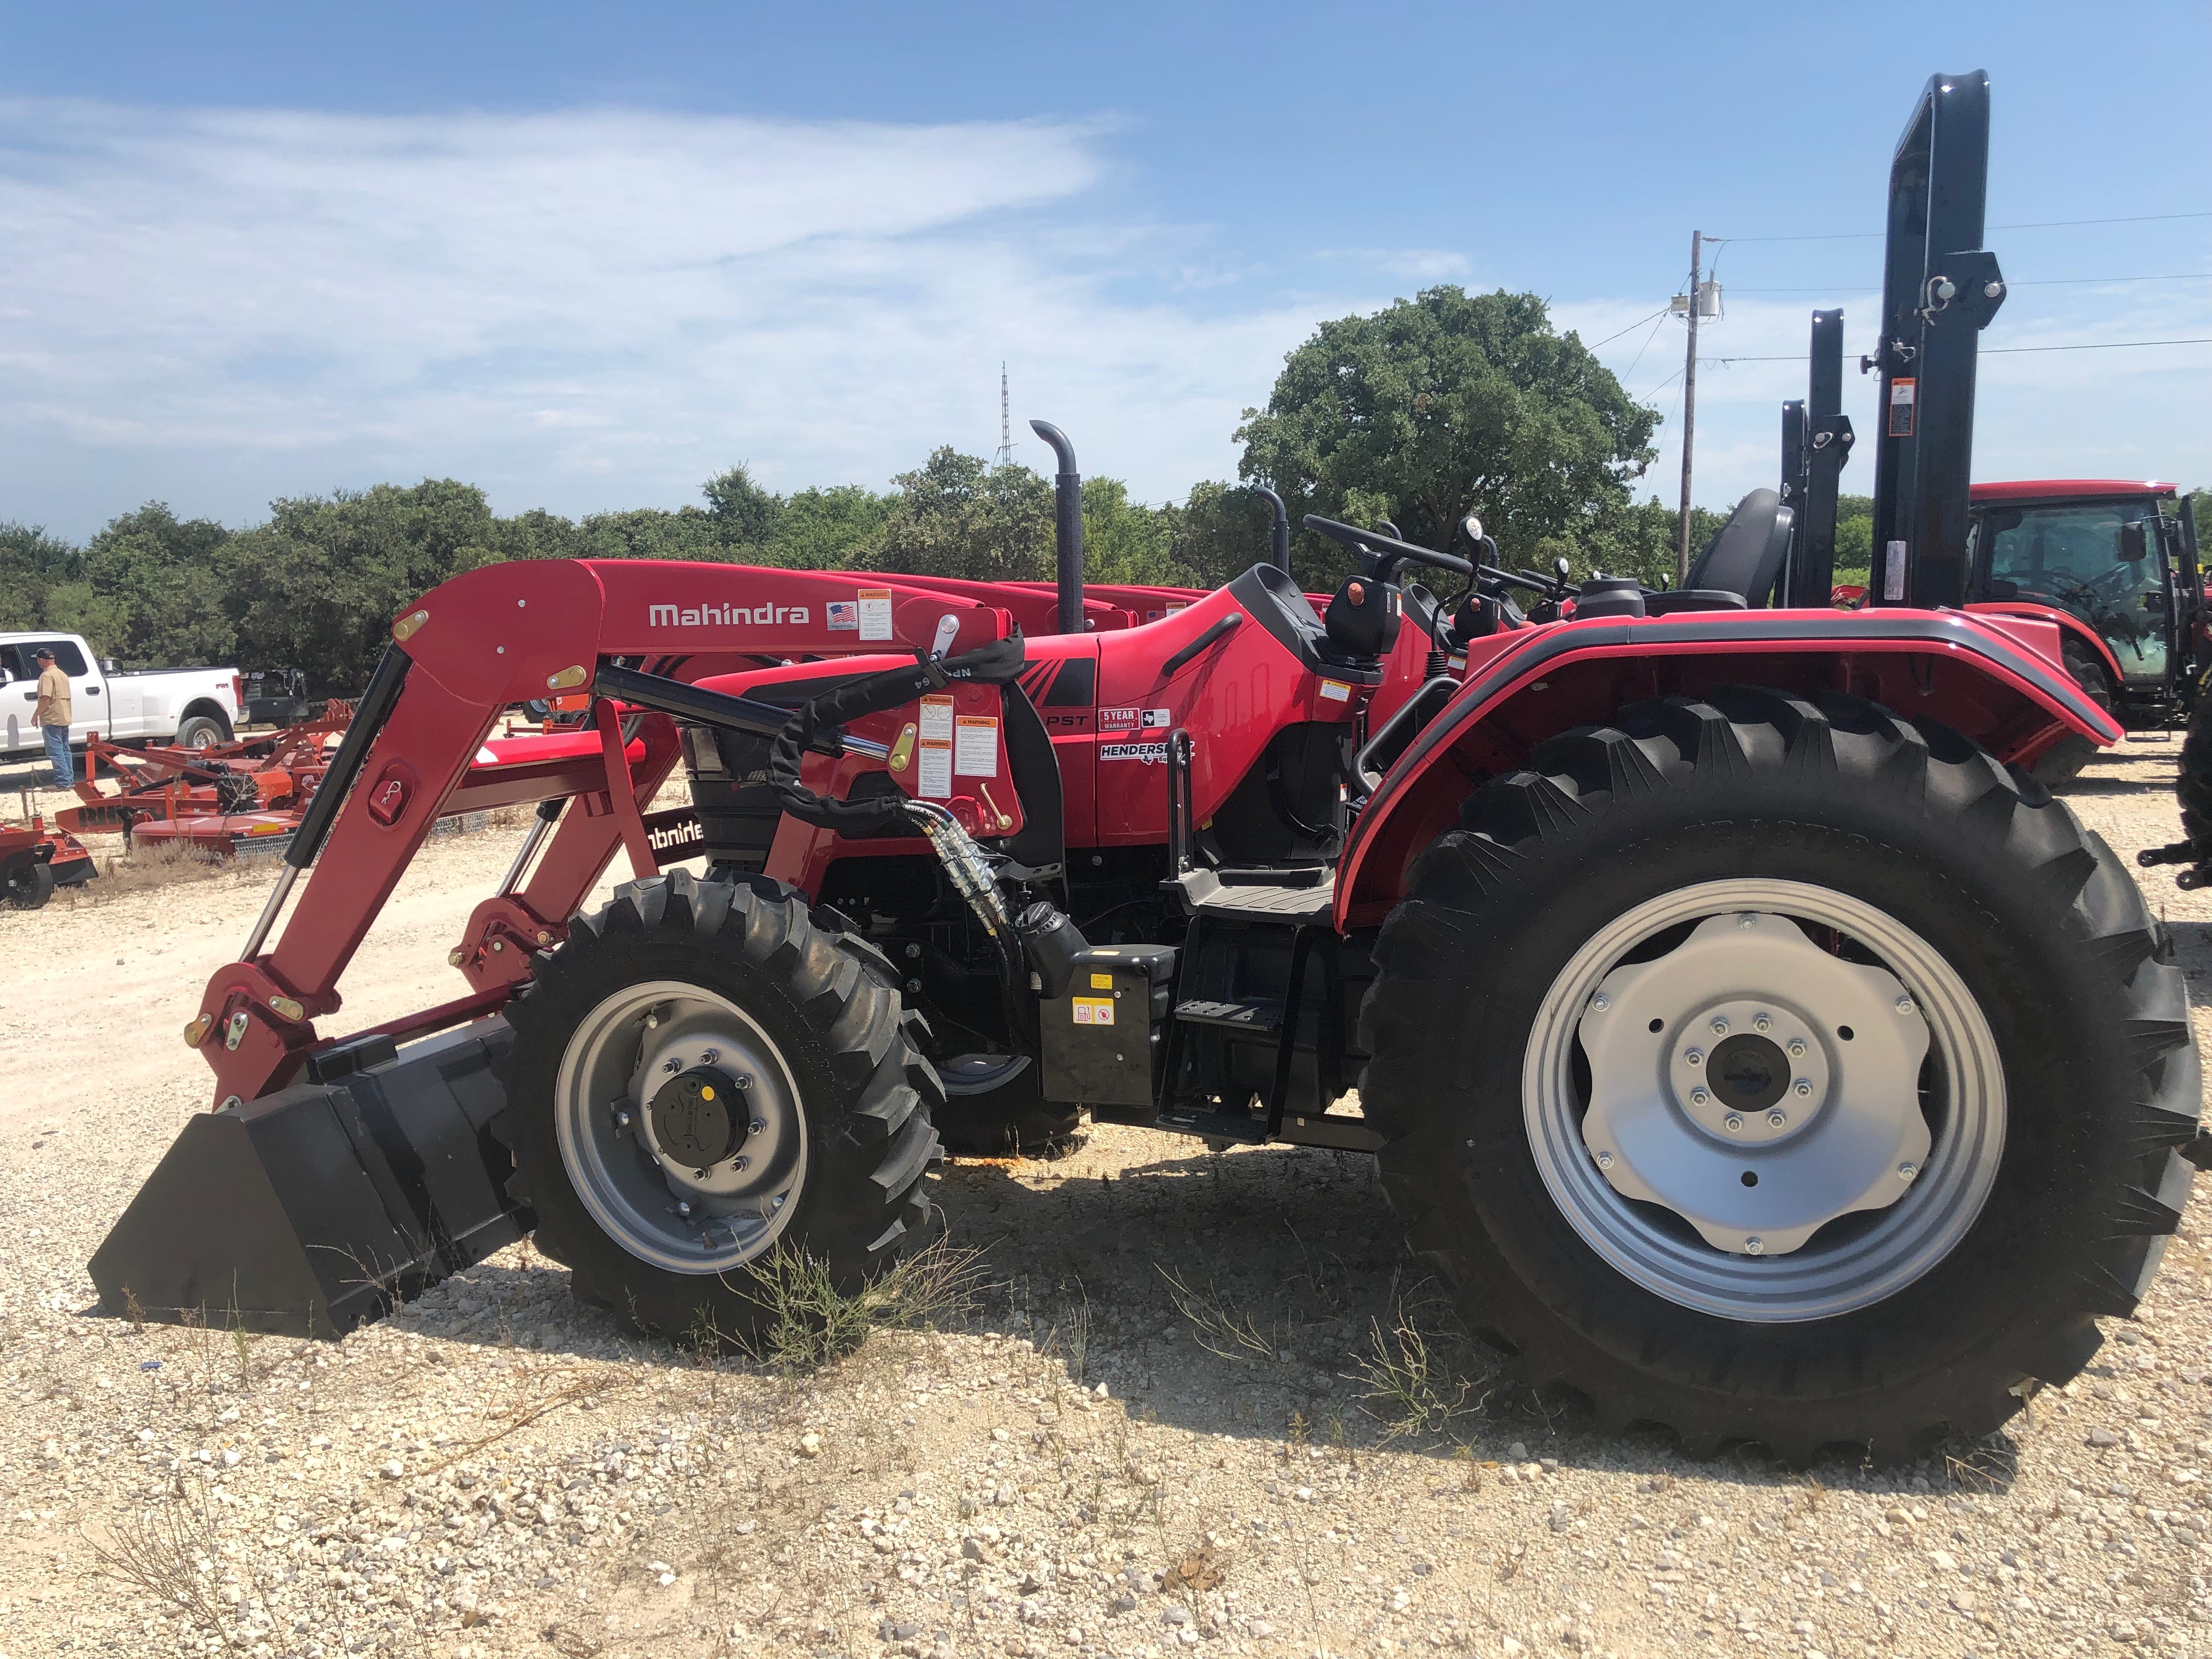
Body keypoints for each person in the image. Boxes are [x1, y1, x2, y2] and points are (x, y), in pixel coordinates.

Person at [33, 647, 73, 787]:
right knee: (65, 749)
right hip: (64, 717)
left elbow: (45, 699)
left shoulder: (46, 676)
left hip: (52, 718)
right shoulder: (62, 674)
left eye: (38, 659)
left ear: (42, 660)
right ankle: (68, 781)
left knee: (56, 752)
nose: (38, 662)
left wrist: (36, 715)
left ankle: (62, 782)